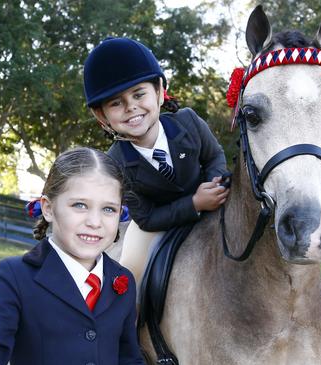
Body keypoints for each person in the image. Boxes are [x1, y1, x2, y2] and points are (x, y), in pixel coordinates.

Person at [0, 147, 145, 365]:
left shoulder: (122, 280)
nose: (95, 222)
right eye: (80, 205)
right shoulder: (16, 276)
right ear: (48, 208)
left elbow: (128, 358)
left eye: (108, 209)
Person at [83, 37, 229, 289]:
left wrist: (213, 185)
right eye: (116, 103)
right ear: (101, 116)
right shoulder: (114, 164)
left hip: (214, 203)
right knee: (130, 271)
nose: (131, 107)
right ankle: (130, 322)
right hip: (155, 225)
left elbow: (214, 156)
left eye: (139, 94)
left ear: (160, 91)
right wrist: (194, 203)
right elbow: (147, 217)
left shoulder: (188, 122)